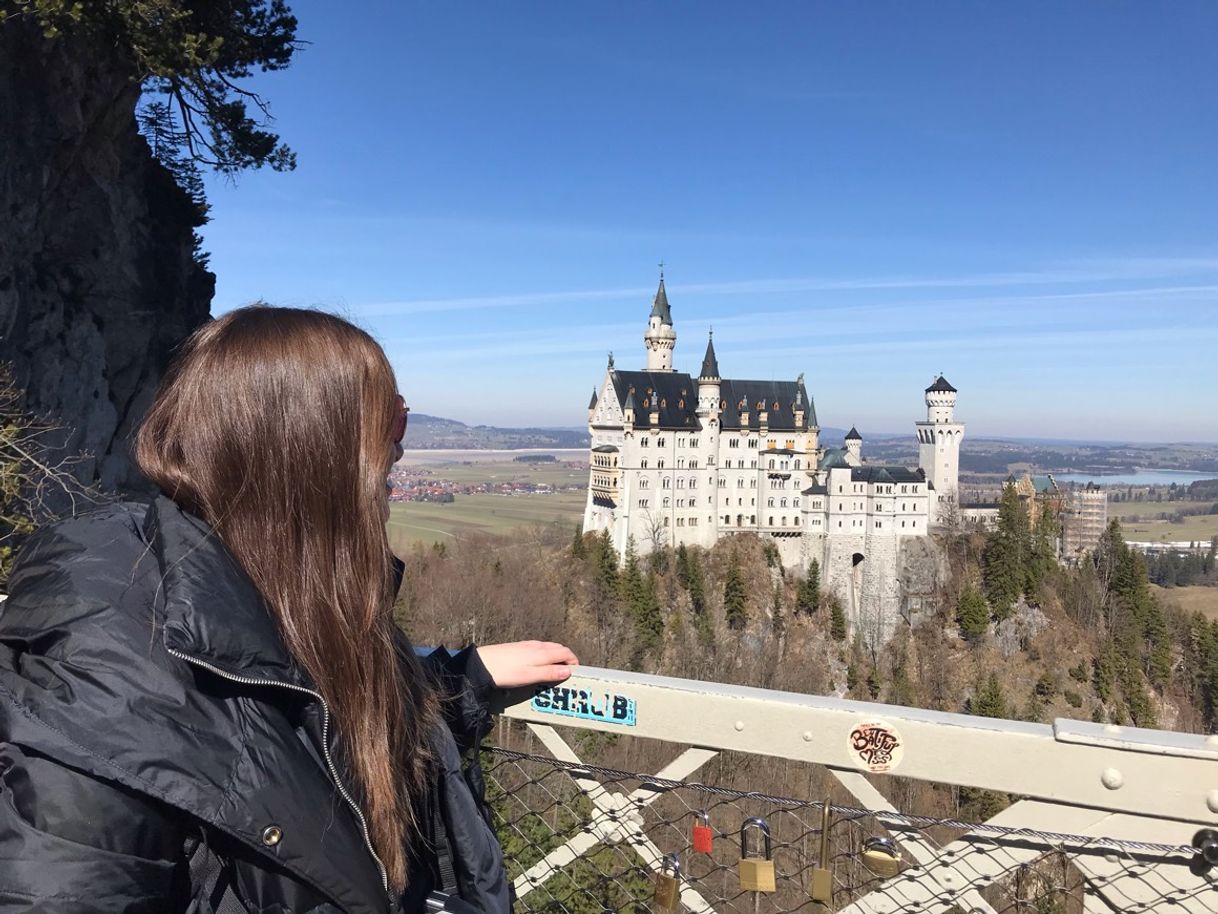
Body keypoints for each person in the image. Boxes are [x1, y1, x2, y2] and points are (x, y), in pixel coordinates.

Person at [0, 306, 578, 913]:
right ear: (310, 452)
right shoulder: (106, 679)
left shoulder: (279, 591)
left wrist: (461, 682)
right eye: (388, 427)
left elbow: (304, 732)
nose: (398, 456)